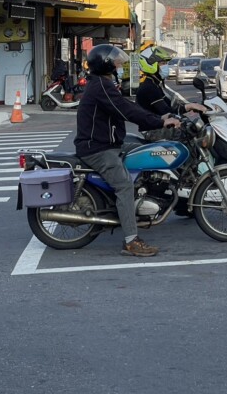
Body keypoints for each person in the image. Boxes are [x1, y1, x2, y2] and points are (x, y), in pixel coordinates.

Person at [74, 44, 181, 258]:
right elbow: (126, 111)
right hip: (98, 148)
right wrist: (158, 121)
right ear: (105, 64)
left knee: (146, 149)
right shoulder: (101, 87)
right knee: (124, 186)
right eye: (115, 61)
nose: (118, 65)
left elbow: (126, 105)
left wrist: (157, 119)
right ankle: (131, 241)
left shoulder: (103, 84)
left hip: (108, 143)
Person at [135, 42, 207, 119]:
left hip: (160, 125)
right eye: (163, 63)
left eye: (166, 63)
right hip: (154, 129)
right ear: (150, 65)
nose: (166, 66)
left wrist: (190, 107)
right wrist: (190, 106)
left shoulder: (154, 83)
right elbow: (166, 112)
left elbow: (169, 105)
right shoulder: (149, 88)